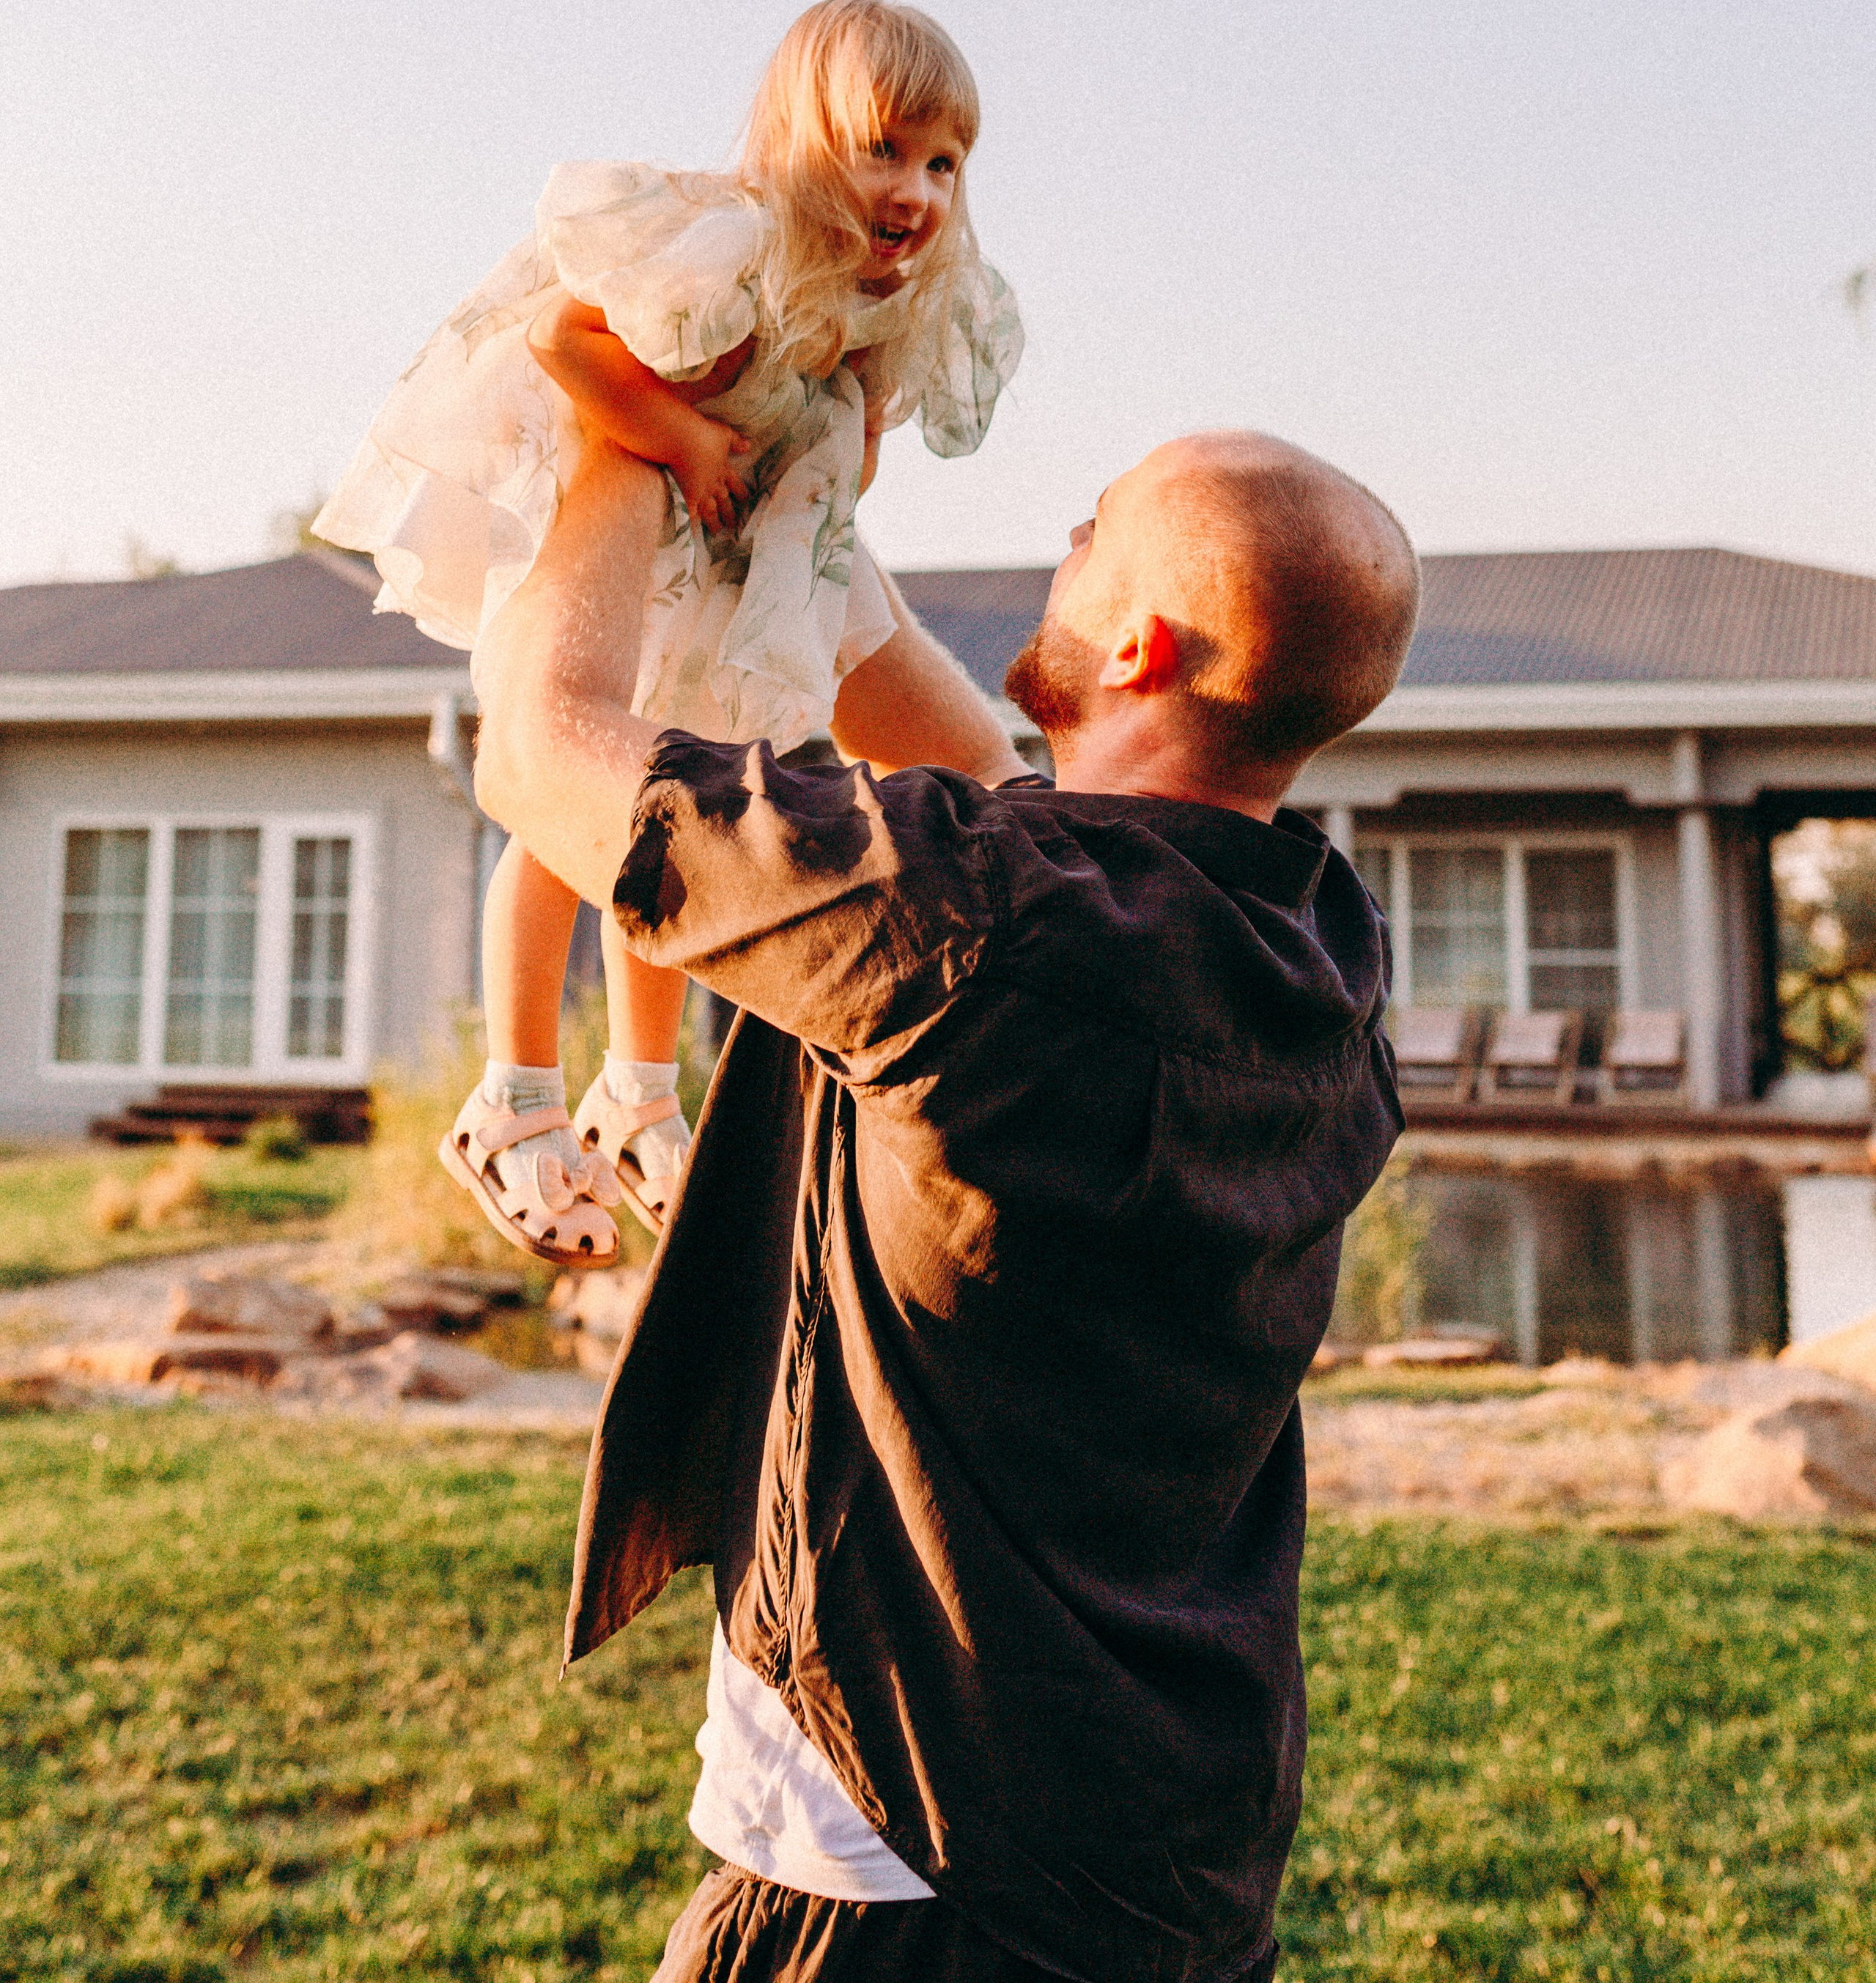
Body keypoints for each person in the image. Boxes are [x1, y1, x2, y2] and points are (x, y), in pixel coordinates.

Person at [470, 422, 1420, 1982]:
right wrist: (792, 485)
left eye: (1092, 528)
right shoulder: (1312, 958)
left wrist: (626, 433)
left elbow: (534, 744)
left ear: (1139, 643)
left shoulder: (975, 921)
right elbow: (937, 721)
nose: (1063, 540)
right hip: (1170, 1846)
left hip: (897, 1862)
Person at [315, 0, 1023, 1267]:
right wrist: (686, 437)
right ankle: (513, 1091)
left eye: (942, 163)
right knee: (565, 815)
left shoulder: (886, 296)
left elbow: (848, 448)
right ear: (806, 141)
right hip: (644, 533)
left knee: (674, 818)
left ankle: (638, 1091)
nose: (916, 189)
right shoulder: (734, 246)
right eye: (884, 149)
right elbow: (561, 338)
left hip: (741, 562)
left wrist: (843, 434)